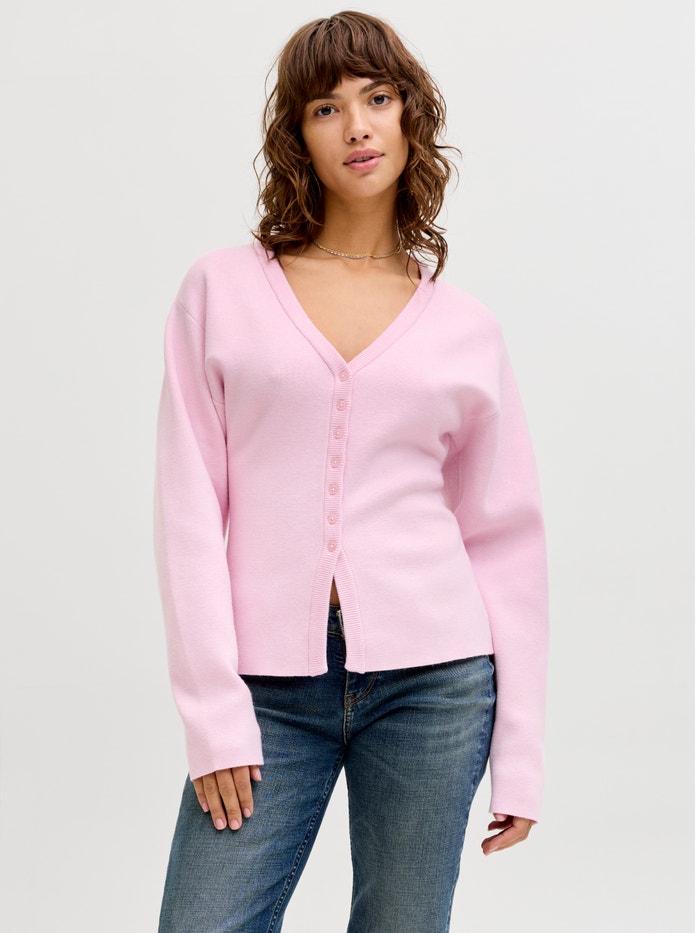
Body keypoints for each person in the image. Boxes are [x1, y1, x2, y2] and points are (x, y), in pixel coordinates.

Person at [153, 10, 548, 932]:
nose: (358, 127)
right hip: (264, 690)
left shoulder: (466, 328)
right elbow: (187, 508)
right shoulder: (221, 291)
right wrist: (214, 710)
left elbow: (506, 538)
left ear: (411, 116)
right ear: (298, 135)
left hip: (435, 684)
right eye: (326, 108)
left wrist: (522, 753)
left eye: (378, 99)